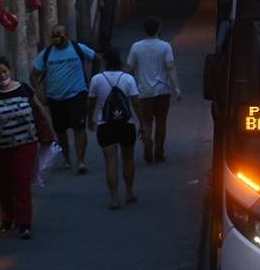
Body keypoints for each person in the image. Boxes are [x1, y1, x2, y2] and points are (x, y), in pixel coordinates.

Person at [0, 57, 53, 239]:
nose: (2, 75)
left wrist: (50, 131)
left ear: (10, 71)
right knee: (5, 183)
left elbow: (39, 109)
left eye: (5, 71)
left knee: (21, 181)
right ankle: (7, 218)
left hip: (25, 143)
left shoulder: (23, 88)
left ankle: (24, 222)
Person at [31, 23, 97, 174]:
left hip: (77, 94)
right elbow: (34, 75)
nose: (55, 36)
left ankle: (81, 160)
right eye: (53, 34)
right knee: (60, 131)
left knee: (79, 127)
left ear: (66, 35)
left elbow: (96, 58)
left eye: (58, 33)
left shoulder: (77, 48)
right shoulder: (47, 53)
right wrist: (40, 94)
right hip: (55, 98)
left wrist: (93, 79)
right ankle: (66, 159)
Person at [88, 47, 140, 209]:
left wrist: (90, 119)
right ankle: (130, 192)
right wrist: (144, 123)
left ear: (105, 61)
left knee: (110, 162)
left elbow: (91, 103)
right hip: (126, 124)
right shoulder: (128, 79)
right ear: (119, 60)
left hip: (106, 124)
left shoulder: (96, 79)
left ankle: (114, 198)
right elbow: (136, 103)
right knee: (128, 159)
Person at [126, 16, 182, 164]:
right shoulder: (165, 46)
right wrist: (176, 88)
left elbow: (130, 68)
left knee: (146, 121)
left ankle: (147, 143)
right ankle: (159, 152)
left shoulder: (136, 47)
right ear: (158, 29)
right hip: (163, 90)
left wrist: (127, 88)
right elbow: (170, 67)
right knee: (161, 122)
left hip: (144, 91)